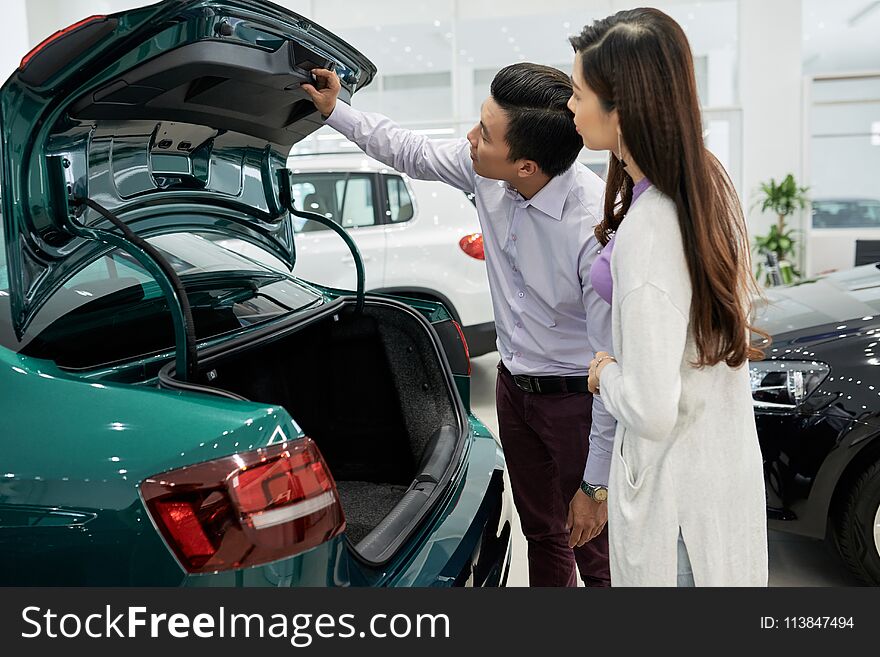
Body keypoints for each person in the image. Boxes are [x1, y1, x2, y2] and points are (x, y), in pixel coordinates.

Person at [301, 63, 615, 586]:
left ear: (527, 166)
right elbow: (410, 150)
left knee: (595, 548)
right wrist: (337, 111)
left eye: (485, 133)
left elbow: (613, 363)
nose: (470, 139)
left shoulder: (594, 230)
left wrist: (597, 487)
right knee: (541, 532)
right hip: (515, 390)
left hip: (576, 403)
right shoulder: (483, 168)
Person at [568, 8, 769, 586]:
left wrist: (604, 371)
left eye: (579, 94)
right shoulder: (705, 184)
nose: (570, 107)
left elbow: (652, 410)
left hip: (677, 502)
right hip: (713, 474)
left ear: (622, 108)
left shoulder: (652, 227)